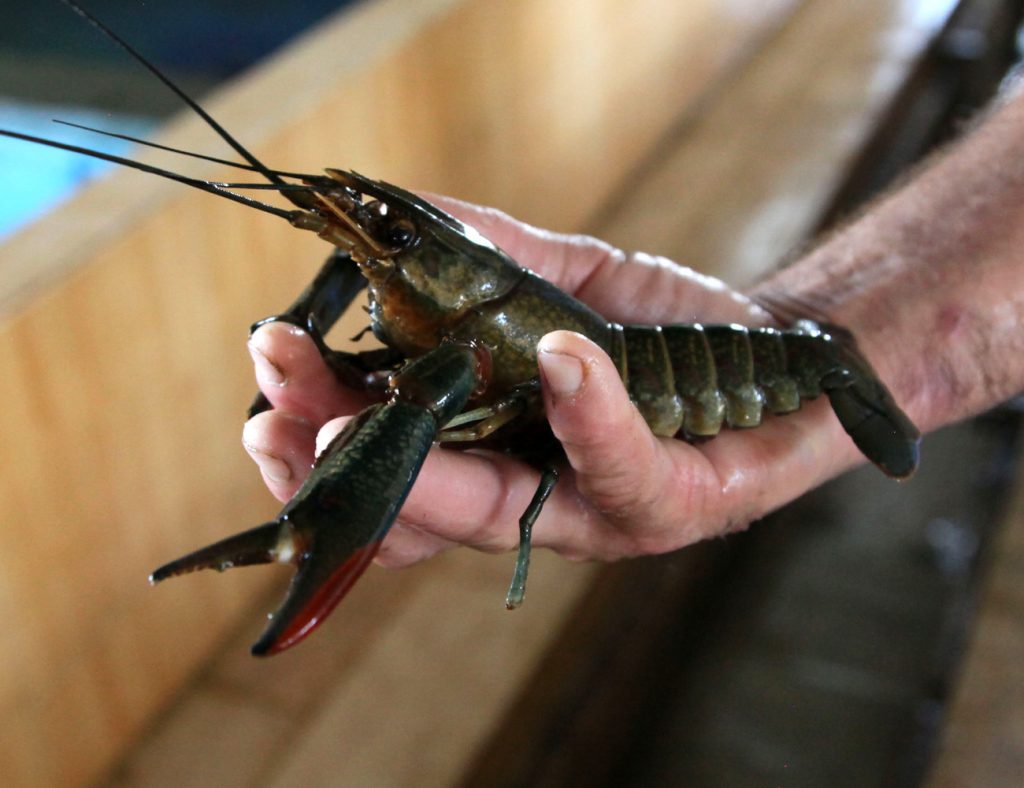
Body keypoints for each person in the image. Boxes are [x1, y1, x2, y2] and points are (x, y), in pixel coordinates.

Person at [241, 81, 1024, 570]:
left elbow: (428, 391)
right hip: (733, 345)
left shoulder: (463, 356)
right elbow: (369, 262)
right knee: (374, 260)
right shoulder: (428, 292)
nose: (381, 245)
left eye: (406, 234)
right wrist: (305, 321)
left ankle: (299, 539)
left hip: (719, 375)